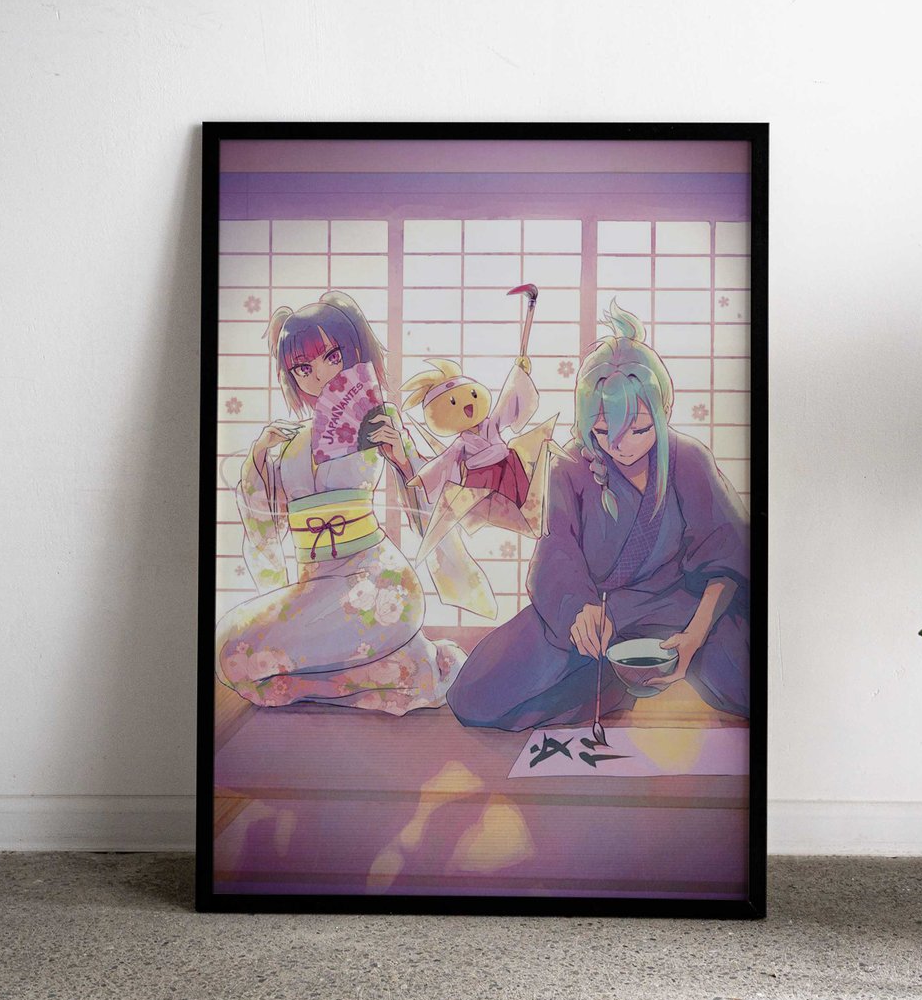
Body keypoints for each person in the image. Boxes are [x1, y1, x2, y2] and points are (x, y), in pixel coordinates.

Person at [447, 302, 751, 730]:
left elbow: (728, 556)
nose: (621, 446)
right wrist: (579, 611)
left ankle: (632, 671)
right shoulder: (571, 464)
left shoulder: (688, 459)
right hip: (602, 612)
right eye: (604, 431)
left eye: (639, 429)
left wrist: (695, 635)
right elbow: (557, 550)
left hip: (681, 606)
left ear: (663, 412)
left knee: (754, 684)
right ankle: (610, 680)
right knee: (476, 696)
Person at [215, 291, 484, 715]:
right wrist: (260, 461)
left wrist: (402, 459)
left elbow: (430, 496)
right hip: (313, 583)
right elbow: (264, 519)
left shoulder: (378, 419)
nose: (319, 376)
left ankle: (341, 676)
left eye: (331, 357)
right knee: (231, 647)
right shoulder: (286, 443)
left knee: (270, 656)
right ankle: (376, 673)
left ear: (353, 354)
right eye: (303, 368)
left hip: (377, 581)